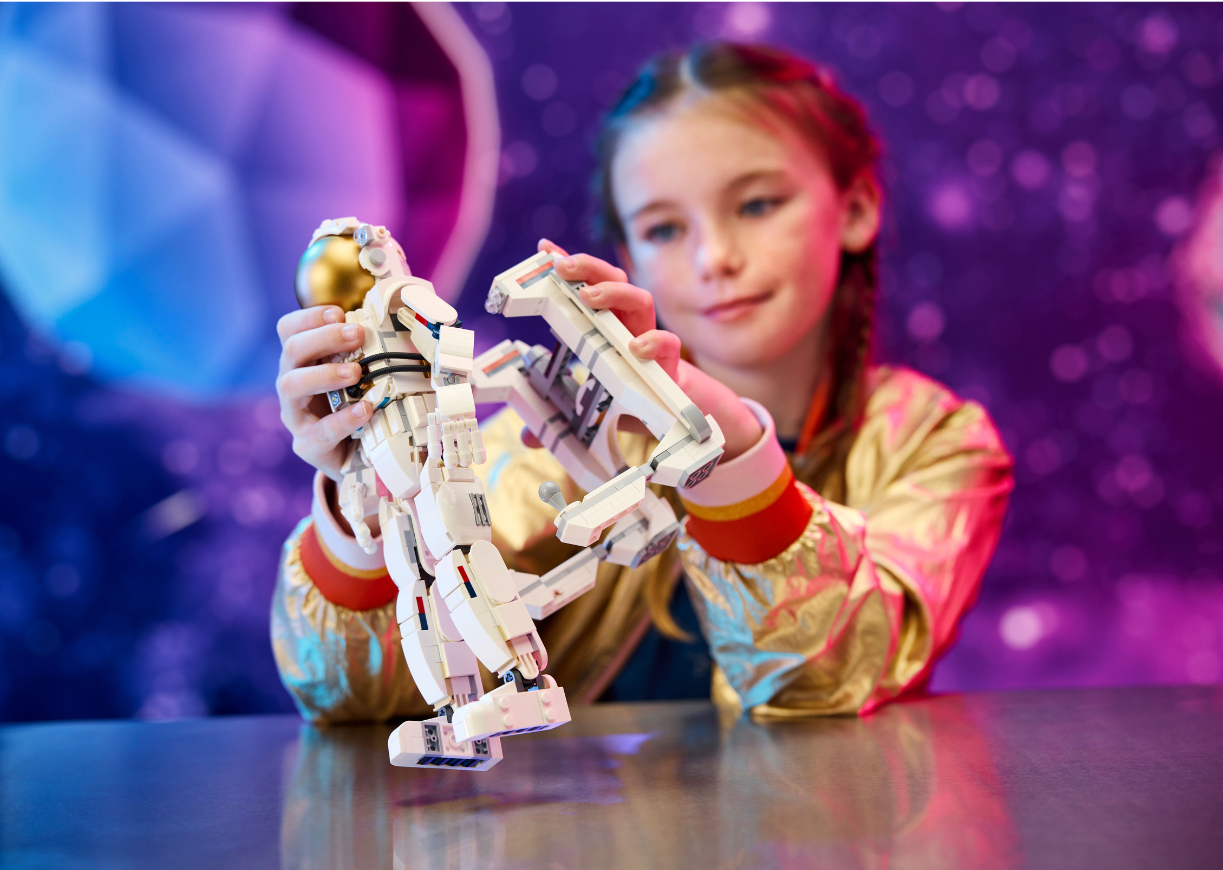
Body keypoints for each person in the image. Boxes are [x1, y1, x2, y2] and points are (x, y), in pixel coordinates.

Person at [270, 42, 1013, 725]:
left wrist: (724, 447)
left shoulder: (935, 443)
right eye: (663, 229)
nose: (715, 257)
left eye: (758, 205)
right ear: (626, 249)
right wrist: (366, 507)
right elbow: (355, 698)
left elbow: (827, 681)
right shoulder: (528, 445)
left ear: (854, 209)